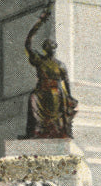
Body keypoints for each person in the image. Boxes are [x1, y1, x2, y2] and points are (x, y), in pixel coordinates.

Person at [24, 8, 78, 138]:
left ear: (54, 49)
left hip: (55, 92)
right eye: (47, 46)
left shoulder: (60, 65)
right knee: (33, 99)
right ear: (44, 49)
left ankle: (50, 131)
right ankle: (37, 130)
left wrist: (69, 96)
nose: (49, 48)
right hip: (41, 91)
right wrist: (40, 22)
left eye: (51, 46)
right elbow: (28, 43)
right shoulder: (39, 60)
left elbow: (66, 81)